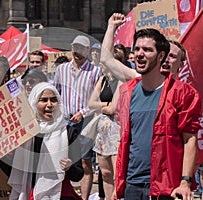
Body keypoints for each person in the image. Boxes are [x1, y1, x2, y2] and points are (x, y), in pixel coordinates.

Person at [112, 28, 201, 200]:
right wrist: (119, 183)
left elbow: (189, 140)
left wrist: (185, 182)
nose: (139, 54)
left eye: (147, 50)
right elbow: (124, 140)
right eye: (137, 49)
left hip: (166, 187)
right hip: (132, 185)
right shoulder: (126, 92)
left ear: (161, 56)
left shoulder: (182, 92)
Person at [8, 82, 83, 199]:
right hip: (28, 193)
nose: (49, 105)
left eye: (53, 100)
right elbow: (11, 168)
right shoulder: (26, 133)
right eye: (43, 100)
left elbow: (78, 174)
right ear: (34, 103)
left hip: (59, 194)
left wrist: (70, 167)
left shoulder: (69, 132)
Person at [54, 35, 102, 200]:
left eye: (81, 49)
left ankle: (85, 197)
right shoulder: (62, 69)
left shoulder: (95, 71)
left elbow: (98, 99)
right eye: (75, 48)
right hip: (64, 122)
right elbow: (56, 93)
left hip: (85, 122)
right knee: (61, 159)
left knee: (84, 162)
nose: (77, 52)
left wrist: (83, 112)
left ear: (87, 51)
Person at [100, 13, 186, 82]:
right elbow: (106, 59)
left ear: (181, 64)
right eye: (137, 49)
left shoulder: (186, 93)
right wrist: (111, 26)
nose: (166, 59)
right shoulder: (140, 79)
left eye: (172, 56)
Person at [89, 70, 122, 200]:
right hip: (102, 130)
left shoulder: (121, 80)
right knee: (106, 173)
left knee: (117, 173)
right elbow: (91, 103)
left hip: (116, 129)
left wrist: (101, 106)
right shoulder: (102, 80)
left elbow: (113, 109)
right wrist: (107, 105)